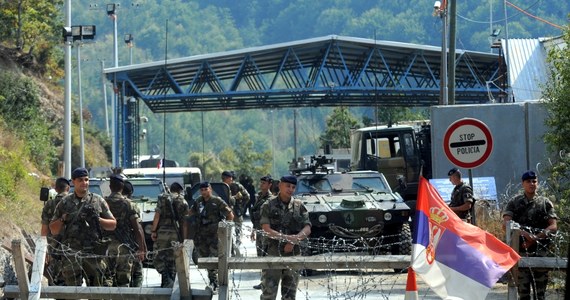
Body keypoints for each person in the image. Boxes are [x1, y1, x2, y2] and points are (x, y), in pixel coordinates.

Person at [49, 167, 117, 286]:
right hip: (71, 254)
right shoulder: (65, 203)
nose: (84, 183)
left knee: (97, 291)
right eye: (80, 180)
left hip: (93, 252)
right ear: (73, 182)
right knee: (72, 292)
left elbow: (112, 224)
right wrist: (63, 219)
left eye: (86, 180)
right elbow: (53, 229)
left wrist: (97, 219)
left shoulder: (97, 200)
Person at [503, 170, 558, 300]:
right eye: (528, 181)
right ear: (523, 184)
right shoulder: (514, 202)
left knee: (540, 295)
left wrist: (535, 238)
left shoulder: (545, 203)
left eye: (534, 181)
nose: (532, 184)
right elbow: (506, 224)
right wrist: (525, 234)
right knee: (523, 295)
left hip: (540, 254)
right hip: (520, 254)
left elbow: (553, 226)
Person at [260, 175, 311, 300]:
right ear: (280, 185)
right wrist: (287, 238)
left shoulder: (299, 206)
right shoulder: (268, 205)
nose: (290, 189)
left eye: (293, 187)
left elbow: (307, 228)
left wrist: (295, 240)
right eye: (288, 186)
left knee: (289, 295)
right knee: (269, 293)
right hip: (273, 253)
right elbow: (266, 229)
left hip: (293, 254)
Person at [189, 181, 234, 293]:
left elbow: (230, 215)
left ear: (210, 189)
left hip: (215, 236)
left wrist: (224, 229)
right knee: (204, 258)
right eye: (202, 190)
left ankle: (215, 283)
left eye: (206, 189)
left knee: (213, 258)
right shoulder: (198, 201)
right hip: (201, 236)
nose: (204, 192)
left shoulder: (217, 201)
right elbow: (191, 213)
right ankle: (213, 281)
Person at [103, 174, 146, 287]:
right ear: (122, 188)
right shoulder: (129, 204)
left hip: (105, 247)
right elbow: (137, 229)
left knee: (107, 279)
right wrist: (141, 249)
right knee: (123, 281)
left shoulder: (102, 203)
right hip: (124, 248)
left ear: (110, 186)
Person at [150, 181, 189, 288]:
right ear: (180, 191)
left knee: (160, 256)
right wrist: (184, 239)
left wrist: (153, 231)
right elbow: (184, 223)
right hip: (176, 234)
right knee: (172, 258)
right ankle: (169, 281)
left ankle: (166, 278)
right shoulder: (183, 202)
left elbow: (157, 216)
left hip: (162, 233)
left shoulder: (162, 199)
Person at [40, 177, 70, 286]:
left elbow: (44, 230)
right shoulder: (74, 203)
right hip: (72, 249)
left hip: (53, 248)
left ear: (56, 189)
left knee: (55, 284)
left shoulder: (49, 204)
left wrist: (44, 252)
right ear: (68, 188)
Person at [250, 175, 274, 290]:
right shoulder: (259, 197)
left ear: (270, 185)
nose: (261, 185)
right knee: (260, 256)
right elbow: (256, 215)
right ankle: (263, 281)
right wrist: (253, 230)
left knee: (265, 255)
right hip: (259, 230)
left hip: (266, 232)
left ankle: (267, 281)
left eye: (264, 183)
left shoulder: (271, 199)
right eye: (261, 183)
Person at [222, 170, 249, 254]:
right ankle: (231, 248)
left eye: (226, 178)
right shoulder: (222, 186)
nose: (224, 179)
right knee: (227, 230)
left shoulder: (237, 186)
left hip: (236, 211)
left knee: (238, 230)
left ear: (230, 178)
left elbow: (247, 197)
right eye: (223, 178)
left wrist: (241, 206)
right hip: (226, 212)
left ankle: (237, 246)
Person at [123, 180, 144, 287]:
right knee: (137, 274)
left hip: (111, 247)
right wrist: (142, 248)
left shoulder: (107, 203)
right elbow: (138, 229)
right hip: (131, 246)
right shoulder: (131, 205)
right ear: (131, 193)